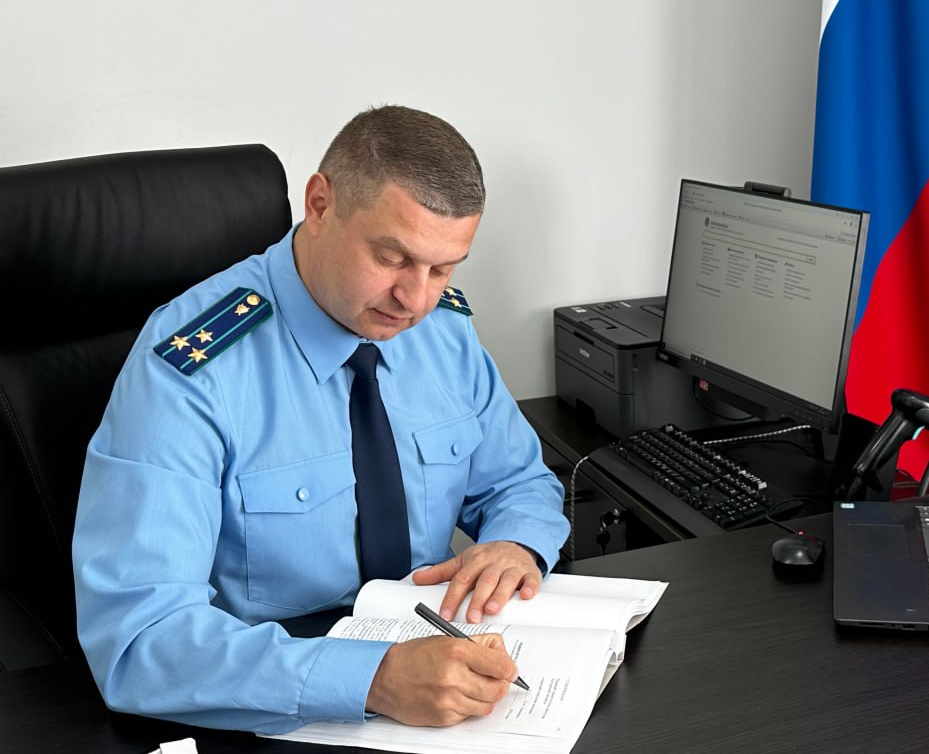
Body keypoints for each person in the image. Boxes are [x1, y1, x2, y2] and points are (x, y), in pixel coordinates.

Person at [72, 106, 569, 733]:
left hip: (438, 682)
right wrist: (375, 679)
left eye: (443, 269)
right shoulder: (192, 370)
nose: (415, 299)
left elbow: (518, 482)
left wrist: (515, 544)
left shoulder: (441, 331)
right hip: (274, 707)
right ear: (319, 204)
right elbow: (141, 641)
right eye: (392, 257)